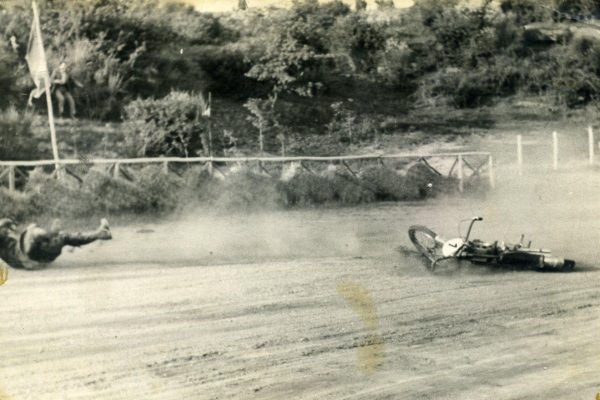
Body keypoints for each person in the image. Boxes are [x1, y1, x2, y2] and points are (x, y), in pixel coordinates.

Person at [0, 218, 112, 270]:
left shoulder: (8, 242)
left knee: (63, 237)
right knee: (34, 231)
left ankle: (101, 234)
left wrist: (8, 224)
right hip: (28, 253)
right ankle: (51, 234)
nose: (7, 232)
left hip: (35, 258)